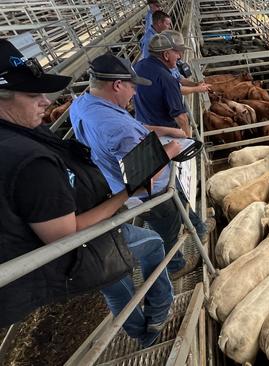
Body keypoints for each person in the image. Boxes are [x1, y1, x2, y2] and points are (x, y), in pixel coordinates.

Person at [0, 40, 173, 347]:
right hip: (78, 249)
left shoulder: (26, 128)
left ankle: (140, 332)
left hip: (73, 222)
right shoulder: (28, 161)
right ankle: (158, 315)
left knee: (115, 286)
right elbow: (68, 234)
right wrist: (127, 192)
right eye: (32, 94)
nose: (45, 101)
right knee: (153, 244)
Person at [70, 53, 209, 280]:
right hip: (148, 194)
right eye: (132, 87)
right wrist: (171, 150)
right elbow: (144, 179)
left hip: (111, 178)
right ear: (117, 85)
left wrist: (163, 130)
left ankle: (199, 229)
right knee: (167, 226)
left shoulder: (83, 104)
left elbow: (131, 127)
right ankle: (175, 265)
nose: (135, 92)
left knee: (180, 201)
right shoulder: (119, 129)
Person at [134, 30, 193, 136]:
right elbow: (180, 117)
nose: (180, 57)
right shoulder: (167, 79)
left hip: (142, 129)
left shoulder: (138, 67)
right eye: (177, 52)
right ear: (166, 55)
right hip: (165, 134)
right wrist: (189, 138)